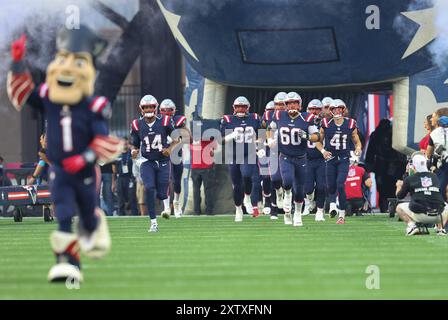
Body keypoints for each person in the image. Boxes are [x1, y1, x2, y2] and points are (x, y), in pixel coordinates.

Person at [7, 27, 123, 282]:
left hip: (83, 172)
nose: (67, 69)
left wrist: (83, 159)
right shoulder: (49, 98)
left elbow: (103, 140)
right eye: (61, 60)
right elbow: (23, 95)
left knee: (87, 219)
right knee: (62, 213)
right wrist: (17, 62)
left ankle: (94, 222)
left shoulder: (93, 106)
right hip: (59, 170)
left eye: (77, 62)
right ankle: (67, 263)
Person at [268, 92, 320, 226]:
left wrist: (306, 136)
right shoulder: (279, 115)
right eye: (290, 103)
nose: (292, 105)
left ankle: (297, 213)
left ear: (299, 104)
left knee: (300, 189)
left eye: (295, 102)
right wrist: (269, 139)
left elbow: (317, 136)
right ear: (285, 105)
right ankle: (286, 198)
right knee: (287, 182)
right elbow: (269, 128)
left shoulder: (306, 118)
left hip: (301, 158)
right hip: (285, 156)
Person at [130, 95, 179, 232]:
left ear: (156, 108)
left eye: (151, 106)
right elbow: (135, 145)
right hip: (147, 161)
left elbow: (177, 139)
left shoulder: (165, 121)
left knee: (162, 194)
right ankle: (153, 223)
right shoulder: (137, 124)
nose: (149, 109)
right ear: (141, 109)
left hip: (163, 161)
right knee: (149, 188)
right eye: (146, 107)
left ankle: (164, 202)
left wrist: (169, 149)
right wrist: (134, 151)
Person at [316, 99, 363, 224]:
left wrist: (358, 149)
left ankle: (341, 215)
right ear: (330, 111)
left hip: (343, 158)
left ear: (343, 109)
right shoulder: (325, 123)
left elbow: (357, 141)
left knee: (340, 184)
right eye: (334, 109)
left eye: (339, 108)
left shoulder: (350, 123)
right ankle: (332, 205)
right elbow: (318, 141)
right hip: (330, 158)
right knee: (330, 185)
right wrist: (323, 152)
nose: (337, 111)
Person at [221, 96, 261, 221]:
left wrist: (260, 147)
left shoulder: (254, 118)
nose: (240, 109)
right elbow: (220, 140)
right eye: (238, 107)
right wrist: (230, 136)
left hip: (248, 154)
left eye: (243, 107)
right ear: (234, 107)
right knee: (237, 185)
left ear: (247, 108)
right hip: (233, 155)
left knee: (247, 175)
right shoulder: (227, 119)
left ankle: (247, 197)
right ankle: (238, 209)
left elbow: (262, 134)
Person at [395, 153, 448, 236]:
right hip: (438, 216)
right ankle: (440, 228)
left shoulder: (410, 179)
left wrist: (398, 186)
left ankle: (412, 226)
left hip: (420, 215)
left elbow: (399, 196)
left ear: (414, 166)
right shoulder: (434, 176)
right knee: (446, 206)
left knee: (399, 207)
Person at [365, 119, 407, 213]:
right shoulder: (395, 135)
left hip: (382, 167)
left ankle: (384, 208)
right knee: (393, 188)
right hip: (394, 166)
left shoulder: (375, 134)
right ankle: (393, 208)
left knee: (383, 190)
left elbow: (370, 152)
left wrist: (369, 164)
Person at [159, 98, 190, 218]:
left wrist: (184, 131)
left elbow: (189, 139)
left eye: (169, 110)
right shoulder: (157, 121)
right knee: (165, 180)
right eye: (164, 110)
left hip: (176, 153)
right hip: (163, 154)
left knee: (177, 180)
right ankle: (166, 207)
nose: (166, 112)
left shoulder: (178, 120)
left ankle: (176, 202)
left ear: (174, 110)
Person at [303, 99, 326, 222]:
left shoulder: (326, 123)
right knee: (307, 188)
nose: (314, 112)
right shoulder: (303, 122)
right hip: (308, 159)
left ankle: (320, 211)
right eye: (312, 109)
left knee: (322, 186)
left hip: (322, 159)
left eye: (317, 109)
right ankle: (309, 202)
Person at [190, 138, 217, 215]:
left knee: (196, 190)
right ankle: (209, 211)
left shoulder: (192, 137)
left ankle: (197, 211)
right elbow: (214, 149)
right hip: (207, 166)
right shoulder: (209, 137)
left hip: (195, 166)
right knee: (208, 190)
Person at [426, 109, 448, 201]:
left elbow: (428, 153)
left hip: (443, 164)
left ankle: (443, 209)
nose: (431, 119)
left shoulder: (434, 134)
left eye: (433, 117)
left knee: (440, 188)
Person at [112, 137, 138, 216]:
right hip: (120, 178)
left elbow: (136, 164)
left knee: (132, 198)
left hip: (130, 178)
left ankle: (135, 216)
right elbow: (114, 170)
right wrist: (113, 182)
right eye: (123, 143)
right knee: (120, 199)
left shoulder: (131, 153)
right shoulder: (117, 154)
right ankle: (121, 216)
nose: (124, 145)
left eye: (126, 143)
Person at [345, 152, 372, 216]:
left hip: (345, 199)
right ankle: (359, 209)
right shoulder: (361, 170)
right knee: (365, 187)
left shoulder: (342, 170)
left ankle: (347, 208)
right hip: (359, 199)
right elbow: (369, 184)